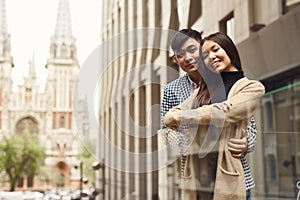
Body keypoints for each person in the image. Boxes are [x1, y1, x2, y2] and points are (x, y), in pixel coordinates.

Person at [164, 32, 265, 200]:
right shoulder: (198, 91)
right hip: (195, 179)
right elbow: (167, 122)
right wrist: (193, 133)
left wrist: (246, 142)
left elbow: (244, 124)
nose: (210, 57)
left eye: (192, 50)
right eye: (206, 55)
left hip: (230, 176)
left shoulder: (250, 87)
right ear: (176, 59)